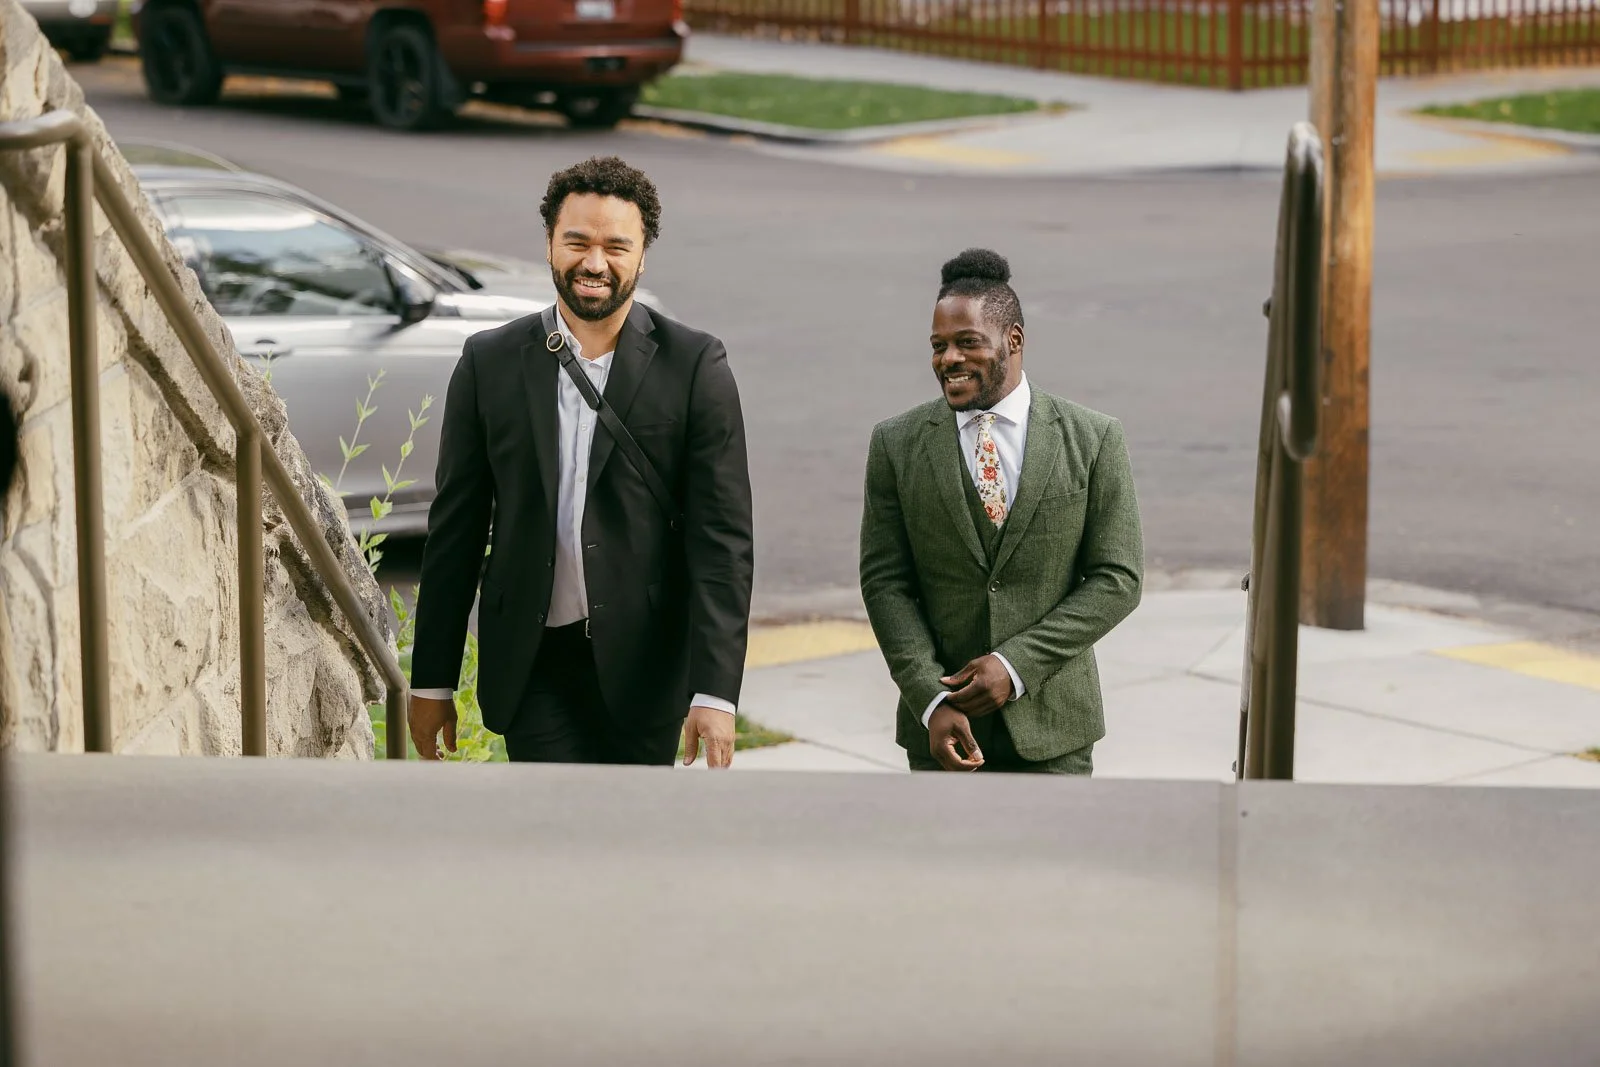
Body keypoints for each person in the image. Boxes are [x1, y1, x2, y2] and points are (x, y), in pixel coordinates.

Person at [408, 157, 754, 768]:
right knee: (552, 838)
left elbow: (721, 540)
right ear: (550, 245)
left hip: (647, 665)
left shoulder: (695, 365)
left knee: (631, 847)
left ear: (642, 255)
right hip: (532, 660)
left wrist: (716, 690)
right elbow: (456, 529)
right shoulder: (489, 362)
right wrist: (432, 680)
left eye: (616, 246)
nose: (595, 263)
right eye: (578, 242)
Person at [859, 249, 1143, 774]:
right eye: (939, 346)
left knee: (1053, 858)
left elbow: (1117, 578)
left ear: (1012, 341)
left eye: (968, 342)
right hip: (943, 731)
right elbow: (885, 583)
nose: (949, 359)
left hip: (1055, 731)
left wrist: (1015, 666)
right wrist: (930, 699)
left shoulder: (1094, 437)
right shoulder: (895, 443)